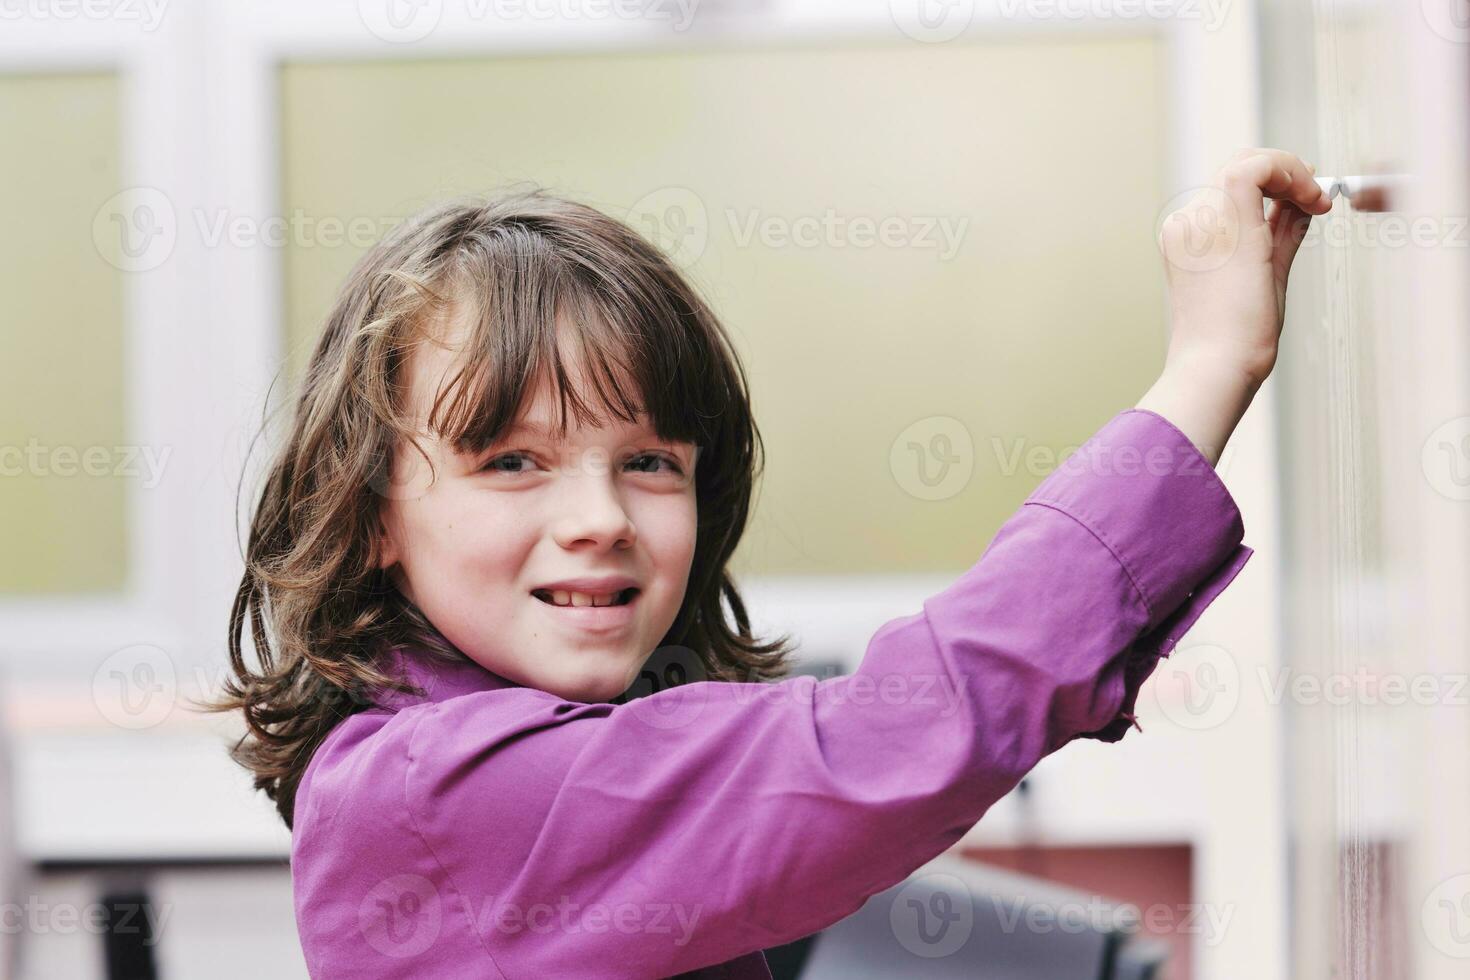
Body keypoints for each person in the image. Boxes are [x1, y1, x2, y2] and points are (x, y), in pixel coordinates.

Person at [200, 148, 1332, 978]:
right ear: (370, 517)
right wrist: (1210, 362)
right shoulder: (435, 792)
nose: (598, 515)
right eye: (511, 460)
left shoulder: (571, 730)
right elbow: (891, 742)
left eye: (648, 459)